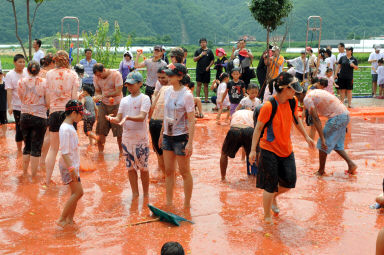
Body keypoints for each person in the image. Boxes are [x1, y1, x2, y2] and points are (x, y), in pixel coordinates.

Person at [249, 72, 315, 224]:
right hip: (269, 149)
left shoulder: (292, 102)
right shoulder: (268, 106)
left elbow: (296, 120)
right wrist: (253, 150)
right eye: (293, 90)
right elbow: (258, 128)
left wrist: (306, 137)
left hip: (286, 149)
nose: (295, 93)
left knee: (290, 181)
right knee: (269, 185)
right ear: (285, 88)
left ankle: (273, 198)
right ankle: (267, 217)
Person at [108, 72, 151, 198]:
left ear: (140, 84)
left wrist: (127, 117)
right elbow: (119, 118)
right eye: (128, 84)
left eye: (132, 84)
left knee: (143, 168)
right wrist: (112, 119)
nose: (129, 87)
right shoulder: (124, 100)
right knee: (130, 168)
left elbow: (142, 116)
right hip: (127, 139)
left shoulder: (145, 98)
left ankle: (146, 194)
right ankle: (135, 194)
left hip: (141, 139)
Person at [159, 63, 195, 208]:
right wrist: (162, 133)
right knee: (169, 171)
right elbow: (165, 114)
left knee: (184, 172)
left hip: (181, 137)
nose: (167, 77)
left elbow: (192, 121)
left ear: (180, 77)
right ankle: (169, 202)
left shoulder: (187, 95)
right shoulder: (167, 91)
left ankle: (186, 204)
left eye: (171, 75)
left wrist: (190, 143)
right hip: (168, 135)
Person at [303, 88, 357, 176]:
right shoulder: (313, 92)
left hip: (338, 117)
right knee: (337, 146)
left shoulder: (307, 99)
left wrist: (322, 137)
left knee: (322, 144)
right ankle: (351, 164)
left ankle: (321, 171)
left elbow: (316, 119)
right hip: (345, 115)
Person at [45, 50, 79, 186]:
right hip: (68, 113)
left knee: (53, 149)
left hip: (54, 112)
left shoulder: (48, 74)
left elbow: (47, 97)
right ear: (67, 60)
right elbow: (74, 98)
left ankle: (47, 180)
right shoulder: (72, 74)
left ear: (55, 61)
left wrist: (51, 107)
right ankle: (69, 179)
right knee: (69, 149)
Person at [18, 61, 48, 177]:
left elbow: (21, 98)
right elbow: (48, 102)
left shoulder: (21, 81)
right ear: (39, 70)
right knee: (36, 147)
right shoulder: (44, 82)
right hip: (39, 116)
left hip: (24, 115)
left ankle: (24, 173)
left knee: (27, 145)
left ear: (28, 70)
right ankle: (34, 176)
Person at [57, 100, 84, 228]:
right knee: (79, 193)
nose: (82, 117)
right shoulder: (65, 129)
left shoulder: (69, 127)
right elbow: (65, 152)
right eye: (81, 115)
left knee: (75, 193)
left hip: (71, 165)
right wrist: (72, 169)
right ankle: (62, 219)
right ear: (74, 113)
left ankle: (70, 219)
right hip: (69, 166)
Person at [93, 63, 123, 153]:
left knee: (119, 131)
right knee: (100, 129)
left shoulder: (116, 75)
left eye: (100, 74)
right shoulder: (96, 77)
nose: (99, 77)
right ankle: (100, 153)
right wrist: (97, 103)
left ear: (104, 70)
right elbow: (97, 92)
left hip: (117, 104)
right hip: (103, 104)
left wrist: (104, 95)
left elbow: (118, 91)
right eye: (97, 75)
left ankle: (121, 153)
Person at [220, 109, 255, 180]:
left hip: (234, 129)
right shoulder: (253, 113)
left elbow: (231, 125)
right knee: (256, 153)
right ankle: (257, 177)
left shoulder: (236, 113)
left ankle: (223, 178)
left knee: (224, 154)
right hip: (249, 130)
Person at [149, 66, 170, 176]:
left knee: (160, 152)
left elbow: (153, 105)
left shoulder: (162, 88)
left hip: (155, 121)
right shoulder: (171, 88)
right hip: (162, 122)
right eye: (159, 78)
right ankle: (168, 179)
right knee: (168, 152)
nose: (161, 80)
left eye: (163, 78)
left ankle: (164, 177)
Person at [5, 54, 28, 151]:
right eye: (20, 62)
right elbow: (9, 91)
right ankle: (19, 150)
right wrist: (10, 106)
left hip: (29, 106)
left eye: (23, 62)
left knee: (28, 128)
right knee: (19, 128)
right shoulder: (10, 75)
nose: (22, 64)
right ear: (14, 63)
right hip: (17, 106)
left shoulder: (27, 71)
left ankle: (27, 148)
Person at [193, 38, 214, 103]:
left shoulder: (210, 51)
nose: (203, 43)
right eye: (201, 42)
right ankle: (197, 99)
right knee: (198, 84)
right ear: (200, 43)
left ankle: (206, 99)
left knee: (206, 85)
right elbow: (194, 59)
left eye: (204, 42)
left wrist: (209, 66)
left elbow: (212, 60)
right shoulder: (198, 51)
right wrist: (201, 55)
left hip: (206, 70)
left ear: (206, 43)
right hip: (199, 70)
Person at [0, 69, 7, 137]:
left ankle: (4, 133)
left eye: (0, 74)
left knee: (4, 120)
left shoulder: (5, 84)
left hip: (3, 105)